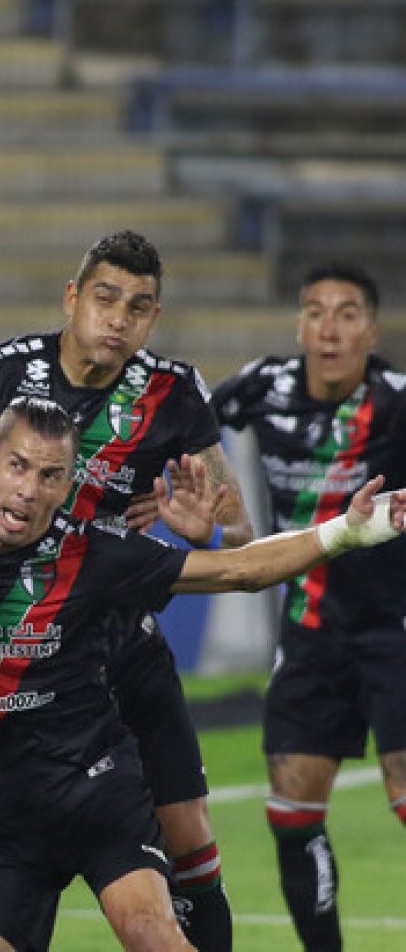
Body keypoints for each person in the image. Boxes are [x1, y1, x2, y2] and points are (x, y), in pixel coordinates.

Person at [0, 395, 406, 952]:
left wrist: (349, 531)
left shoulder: (93, 553)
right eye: (17, 467)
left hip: (100, 797)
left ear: (67, 483)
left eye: (50, 476)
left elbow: (239, 571)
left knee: (150, 933)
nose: (29, 489)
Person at [0, 229, 252, 952]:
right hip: (25, 656)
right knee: (19, 859)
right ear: (72, 297)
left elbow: (239, 536)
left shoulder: (172, 392)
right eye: (105, 298)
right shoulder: (1, 373)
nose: (119, 319)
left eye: (138, 307)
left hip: (125, 654)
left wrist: (199, 530)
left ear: (153, 319)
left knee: (192, 849)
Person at [211, 262, 406, 952]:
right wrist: (218, 499)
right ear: (299, 324)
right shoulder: (263, 386)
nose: (329, 327)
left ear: (371, 331)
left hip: (395, 631)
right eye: (314, 311)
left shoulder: (396, 400)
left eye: (347, 313)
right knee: (292, 812)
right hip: (309, 631)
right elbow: (185, 427)